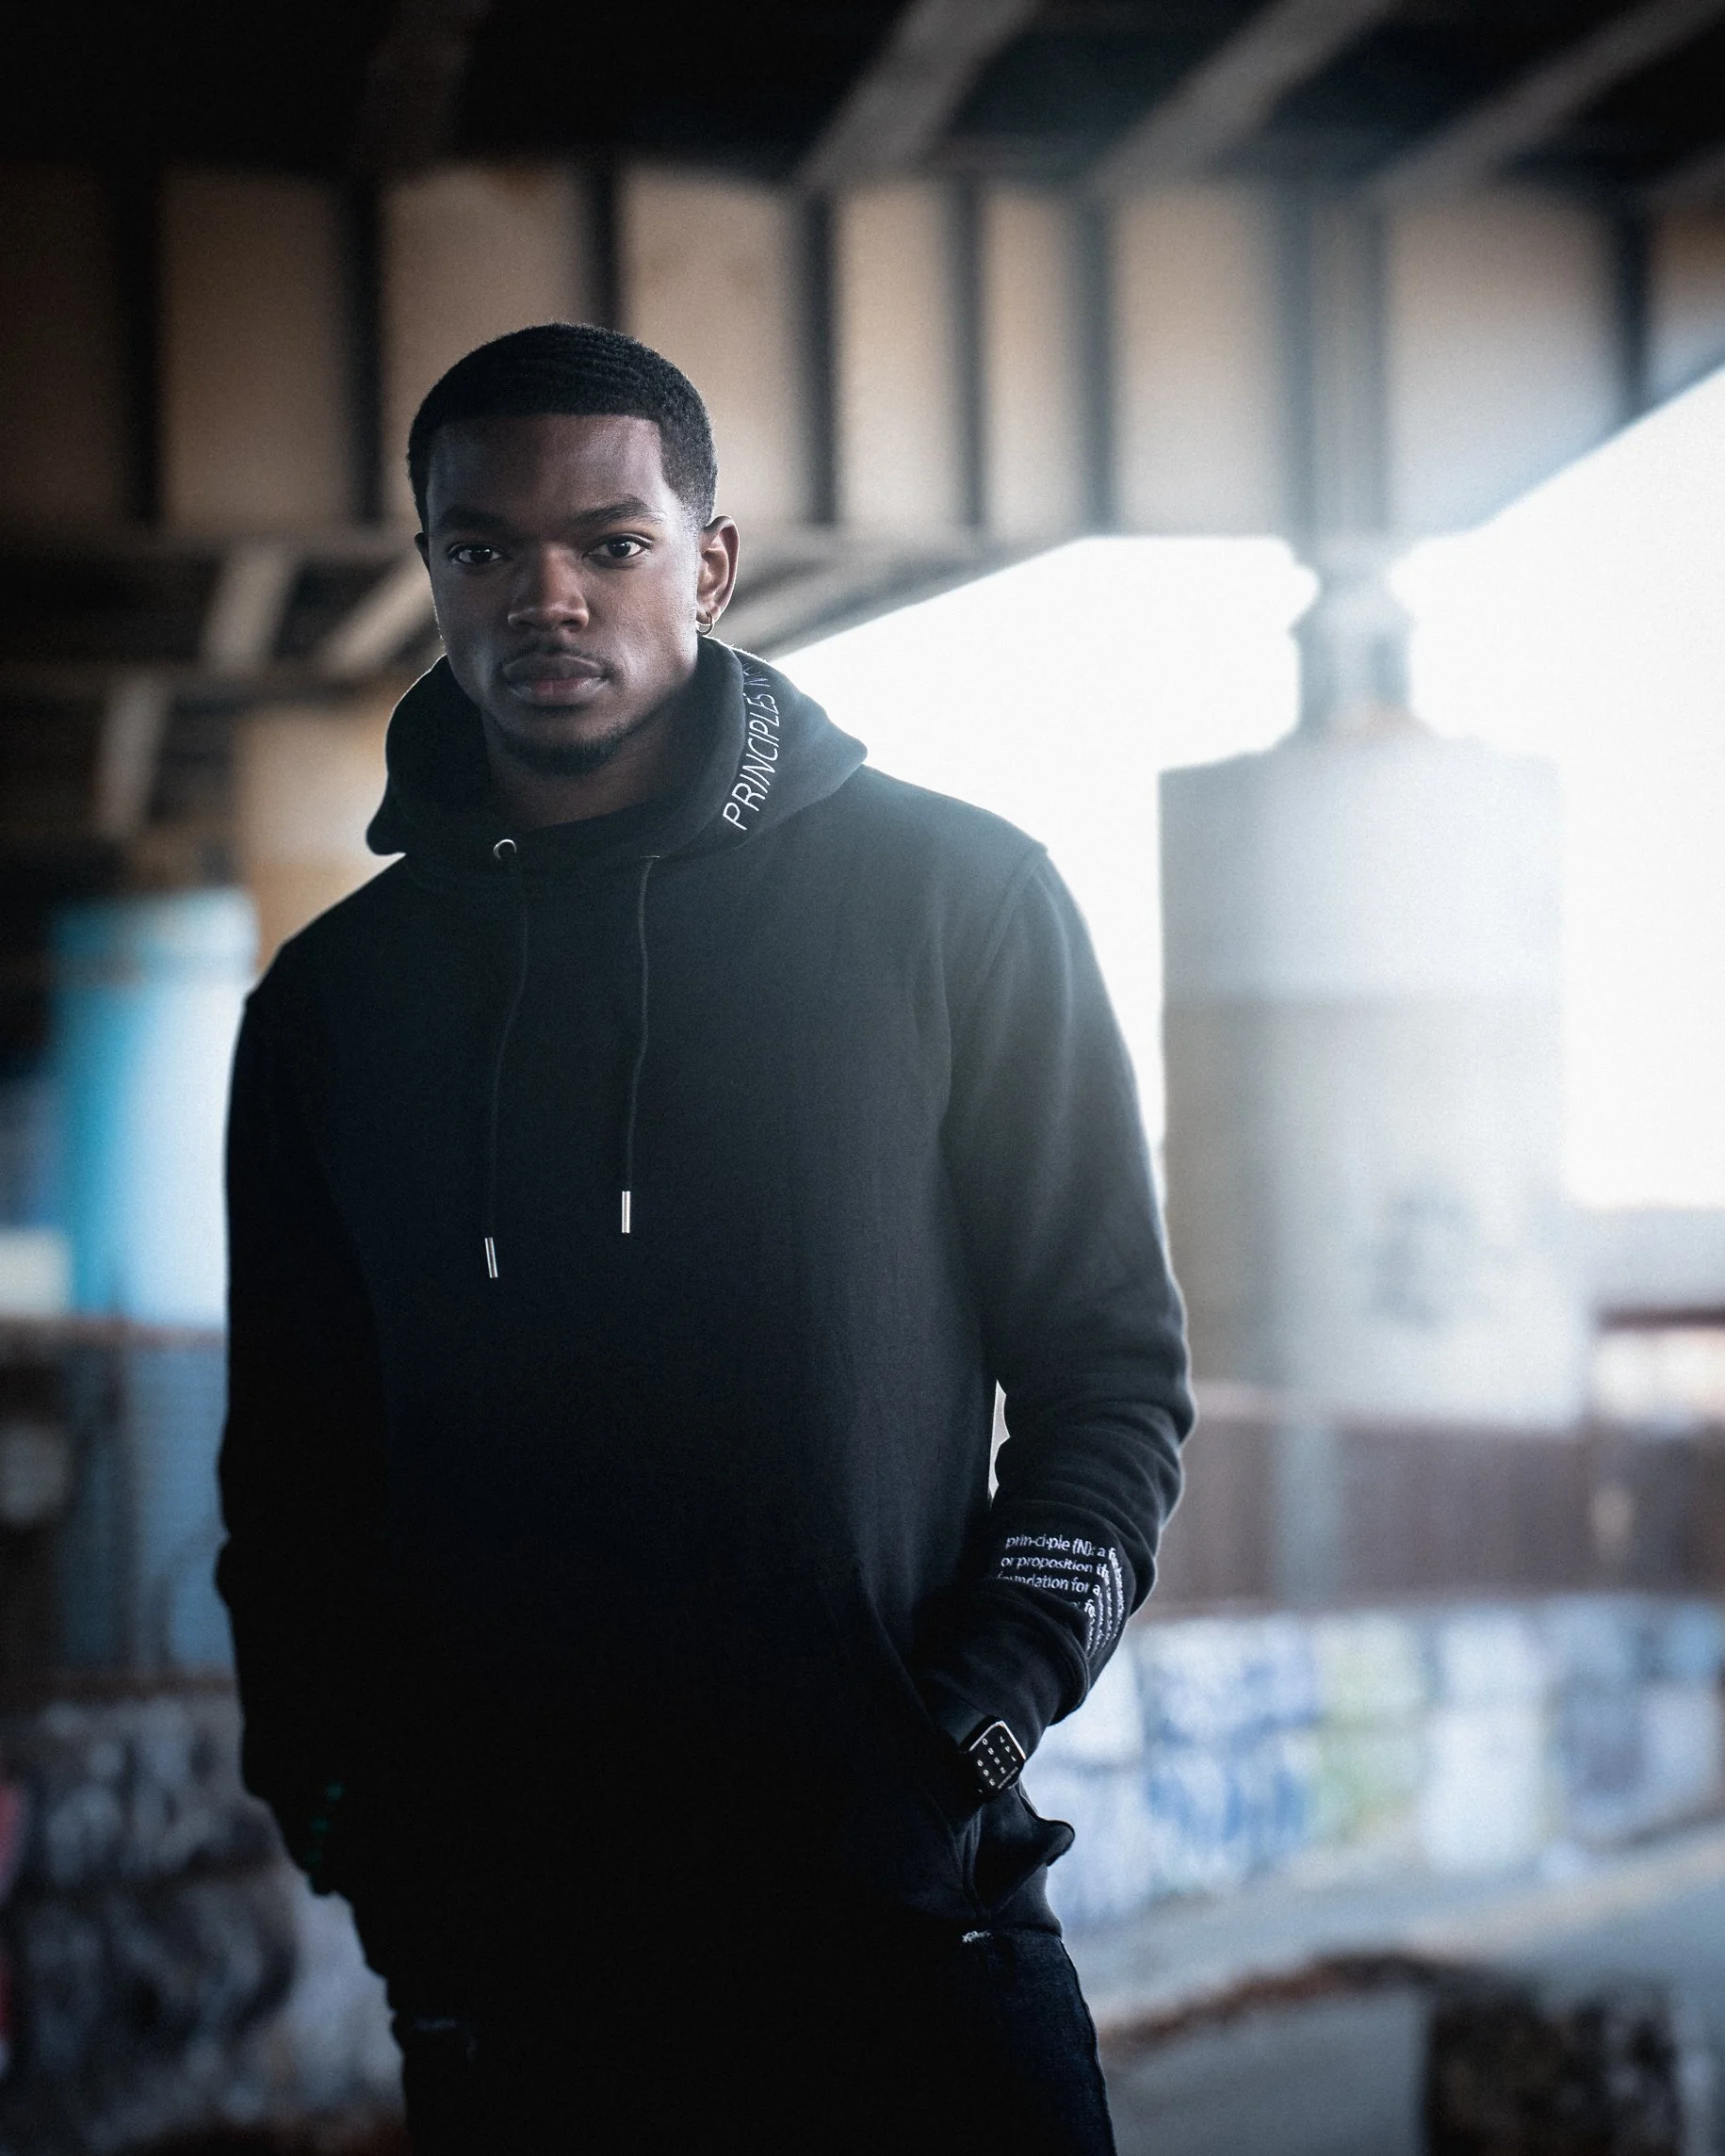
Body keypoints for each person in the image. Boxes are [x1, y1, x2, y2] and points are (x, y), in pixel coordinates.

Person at [217, 322, 1193, 2154]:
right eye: (487, 548)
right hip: (525, 1998)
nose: (550, 596)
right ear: (431, 572)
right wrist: (364, 1840)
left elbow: (1112, 1383)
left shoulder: (953, 900)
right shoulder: (336, 1009)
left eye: (612, 541)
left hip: (913, 1953)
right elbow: (294, 1489)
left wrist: (963, 1737)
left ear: (713, 562)